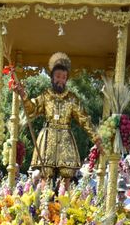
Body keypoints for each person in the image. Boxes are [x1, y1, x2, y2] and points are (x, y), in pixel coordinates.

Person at [8, 52, 102, 184]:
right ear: (52, 78)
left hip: (65, 139)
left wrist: (96, 138)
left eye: (64, 77)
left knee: (67, 174)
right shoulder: (46, 96)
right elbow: (32, 109)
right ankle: (45, 203)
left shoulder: (72, 99)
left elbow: (84, 119)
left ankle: (64, 202)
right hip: (48, 139)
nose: (61, 80)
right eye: (58, 76)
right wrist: (23, 95)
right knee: (45, 174)